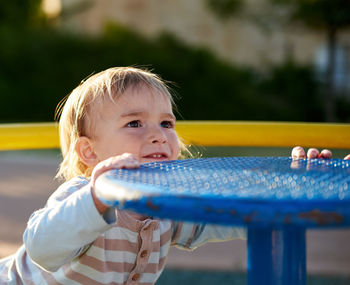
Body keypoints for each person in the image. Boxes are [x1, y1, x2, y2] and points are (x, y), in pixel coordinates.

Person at [0, 67, 245, 284]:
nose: (159, 135)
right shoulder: (82, 197)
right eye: (135, 123)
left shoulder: (165, 205)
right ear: (89, 151)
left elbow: (221, 217)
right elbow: (41, 248)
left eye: (166, 124)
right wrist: (96, 197)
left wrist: (279, 194)